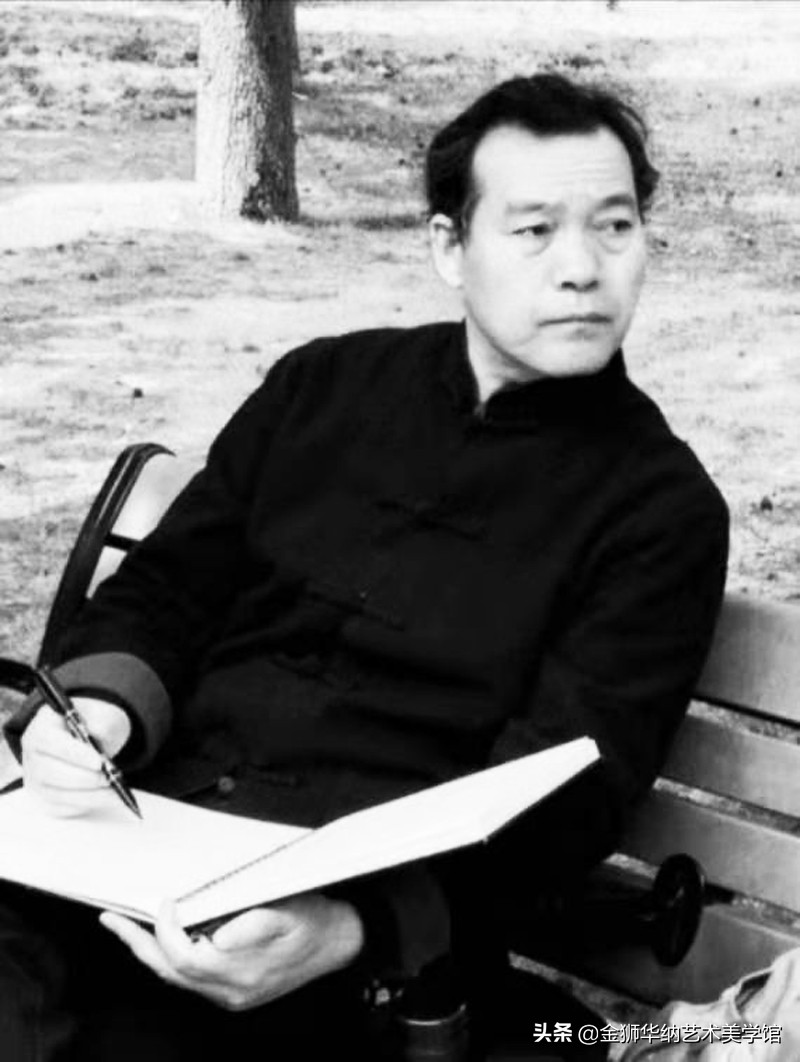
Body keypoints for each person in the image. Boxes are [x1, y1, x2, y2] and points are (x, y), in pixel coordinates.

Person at [0, 73, 728, 1061]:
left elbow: (562, 799)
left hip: (348, 956)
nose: (581, 269)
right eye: (533, 230)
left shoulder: (658, 511)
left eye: (615, 227)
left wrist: (350, 928)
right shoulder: (325, 386)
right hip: (120, 858)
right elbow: (166, 590)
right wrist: (101, 712)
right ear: (447, 247)